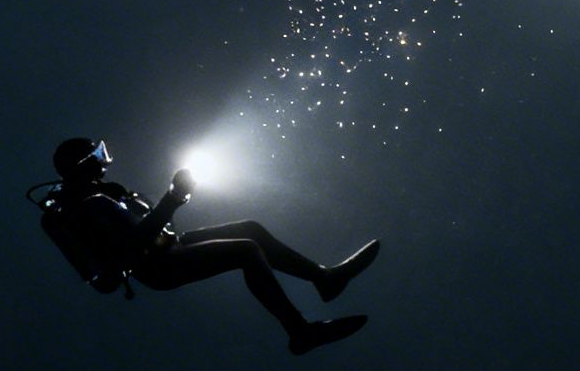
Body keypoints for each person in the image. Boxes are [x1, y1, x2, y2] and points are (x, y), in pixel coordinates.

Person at [36, 137, 377, 355]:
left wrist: (170, 201)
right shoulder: (92, 204)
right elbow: (135, 242)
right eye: (98, 154)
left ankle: (323, 278)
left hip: (166, 248)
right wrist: (174, 197)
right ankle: (300, 331)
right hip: (157, 265)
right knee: (245, 249)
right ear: (85, 163)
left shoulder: (100, 197)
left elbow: (147, 229)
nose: (105, 159)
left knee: (250, 229)